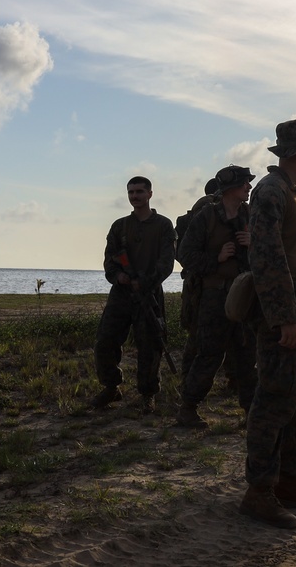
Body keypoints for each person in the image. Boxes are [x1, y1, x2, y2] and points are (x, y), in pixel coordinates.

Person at [239, 118, 296, 529]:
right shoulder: (270, 193)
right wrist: (283, 319)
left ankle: (288, 480)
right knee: (275, 399)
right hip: (283, 318)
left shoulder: (294, 192)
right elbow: (267, 259)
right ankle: (259, 490)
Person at [175, 166, 259, 429]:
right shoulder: (206, 217)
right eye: (245, 183)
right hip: (214, 296)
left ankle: (251, 413)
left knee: (248, 356)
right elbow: (185, 255)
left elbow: (270, 253)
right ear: (230, 188)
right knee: (209, 354)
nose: (248, 187)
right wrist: (217, 259)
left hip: (244, 295)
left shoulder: (251, 216)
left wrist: (253, 243)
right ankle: (188, 408)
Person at [90, 176, 176, 414]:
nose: (135, 196)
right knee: (105, 342)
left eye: (139, 191)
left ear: (150, 194)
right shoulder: (119, 226)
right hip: (121, 294)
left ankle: (148, 394)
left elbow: (167, 262)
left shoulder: (163, 225)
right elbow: (109, 260)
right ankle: (111, 387)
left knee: (150, 346)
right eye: (131, 192)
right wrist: (119, 277)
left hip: (149, 294)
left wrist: (145, 282)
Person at [177, 176, 219, 378]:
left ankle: (188, 379)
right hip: (202, 285)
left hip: (196, 283)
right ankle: (188, 380)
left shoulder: (197, 214)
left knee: (196, 336)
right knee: (197, 337)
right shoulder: (209, 212)